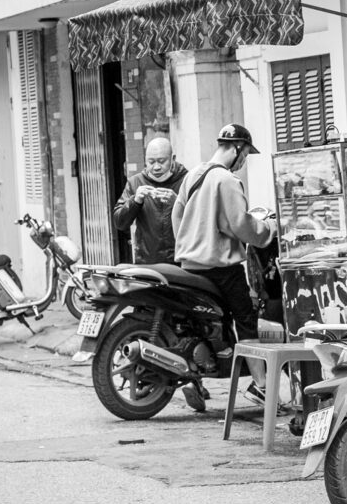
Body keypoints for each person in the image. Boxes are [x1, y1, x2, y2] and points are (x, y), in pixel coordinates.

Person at [172, 123, 278, 410]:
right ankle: (262, 387)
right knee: (245, 318)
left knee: (198, 323)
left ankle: (194, 377)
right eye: (245, 155)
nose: (244, 162)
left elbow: (177, 213)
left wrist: (187, 243)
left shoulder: (193, 174)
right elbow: (241, 225)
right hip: (221, 267)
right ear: (237, 149)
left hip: (188, 264)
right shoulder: (227, 181)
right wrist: (268, 229)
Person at [112, 137, 188, 264]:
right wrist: (135, 201)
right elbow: (119, 223)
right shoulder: (135, 182)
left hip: (181, 261)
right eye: (151, 162)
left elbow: (201, 220)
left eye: (161, 161)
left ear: (173, 159)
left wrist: (178, 203)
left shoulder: (187, 180)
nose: (156, 167)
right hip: (147, 263)